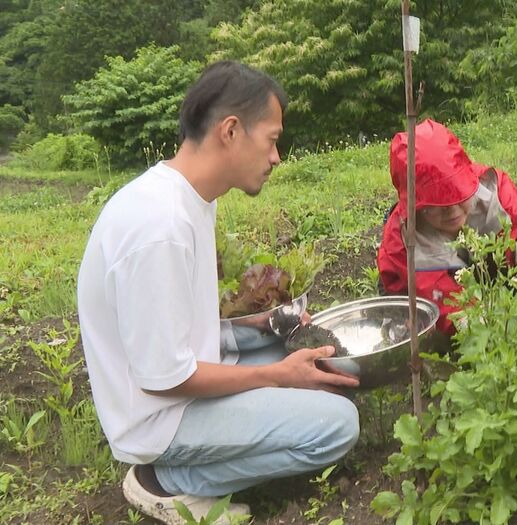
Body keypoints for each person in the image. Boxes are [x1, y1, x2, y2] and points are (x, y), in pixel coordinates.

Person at [76, 61, 359, 525]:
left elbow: (180, 327)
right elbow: (163, 378)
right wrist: (276, 377)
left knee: (312, 356)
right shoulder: (159, 226)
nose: (277, 157)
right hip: (160, 417)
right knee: (336, 425)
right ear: (231, 131)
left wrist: (257, 327)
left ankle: (200, 457)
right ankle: (168, 482)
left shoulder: (187, 199)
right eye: (271, 139)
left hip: (180, 385)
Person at [377, 119, 517, 335]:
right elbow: (449, 310)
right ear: (415, 208)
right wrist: (498, 332)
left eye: (458, 195)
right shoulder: (404, 243)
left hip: (484, 268)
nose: (452, 210)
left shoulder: (492, 188)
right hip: (427, 294)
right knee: (426, 335)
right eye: (437, 204)